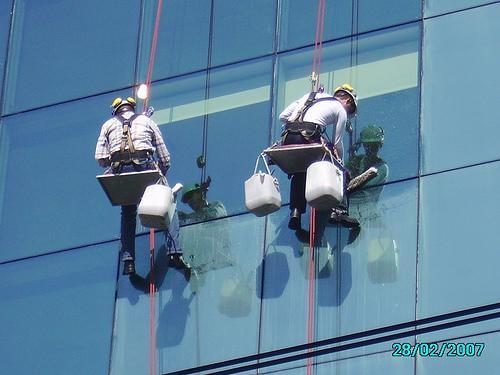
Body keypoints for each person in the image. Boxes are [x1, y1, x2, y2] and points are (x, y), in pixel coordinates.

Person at [95, 97, 191, 279]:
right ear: (132, 107)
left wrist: (116, 160)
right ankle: (175, 252)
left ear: (116, 110)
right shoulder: (147, 121)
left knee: (128, 214)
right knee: (168, 203)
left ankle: (128, 261)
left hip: (121, 172)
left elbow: (100, 157)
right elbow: (164, 157)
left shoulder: (107, 125)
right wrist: (161, 176)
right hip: (145, 167)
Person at [279, 83, 360, 230]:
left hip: (288, 138)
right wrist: (339, 159)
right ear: (348, 102)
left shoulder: (310, 96)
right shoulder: (339, 108)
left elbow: (283, 116)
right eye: (350, 111)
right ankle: (338, 211)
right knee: (338, 166)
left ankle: (295, 212)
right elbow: (337, 143)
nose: (347, 114)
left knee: (300, 171)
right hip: (307, 136)